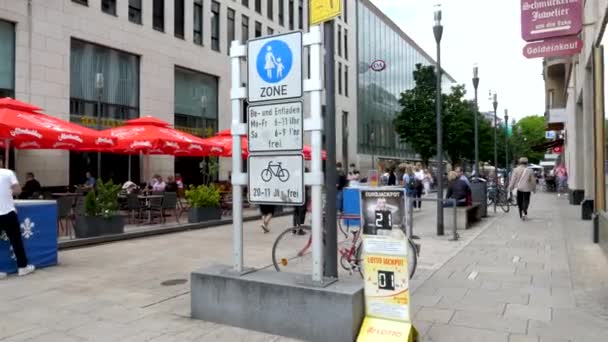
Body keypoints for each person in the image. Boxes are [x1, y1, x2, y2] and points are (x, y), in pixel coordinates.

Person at [0, 159, 35, 278]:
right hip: (8, 212)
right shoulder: (8, 173)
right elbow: (18, 191)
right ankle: (22, 267)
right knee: (16, 241)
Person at [293, 169, 310, 235]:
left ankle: (294, 228)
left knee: (296, 211)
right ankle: (300, 229)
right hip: (302, 195)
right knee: (301, 212)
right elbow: (307, 185)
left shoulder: (295, 173)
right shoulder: (304, 174)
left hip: (295, 194)